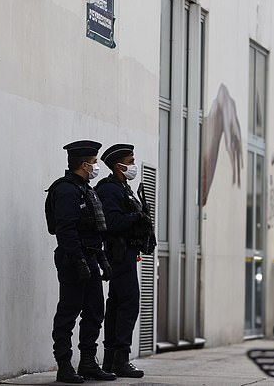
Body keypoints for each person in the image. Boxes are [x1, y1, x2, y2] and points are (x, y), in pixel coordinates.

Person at [45, 140, 116, 383]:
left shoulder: (86, 188)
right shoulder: (66, 190)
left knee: (95, 311)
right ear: (84, 164)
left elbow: (94, 231)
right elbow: (66, 231)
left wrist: (102, 260)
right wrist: (78, 261)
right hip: (72, 259)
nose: (96, 167)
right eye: (94, 163)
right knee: (68, 312)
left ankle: (88, 362)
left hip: (90, 256)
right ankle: (64, 365)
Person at [96, 143, 151, 378]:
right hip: (119, 254)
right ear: (118, 165)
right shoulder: (110, 189)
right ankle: (119, 358)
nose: (133, 165)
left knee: (119, 305)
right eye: (130, 162)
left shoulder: (123, 187)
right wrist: (136, 217)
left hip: (127, 253)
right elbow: (112, 222)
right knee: (127, 304)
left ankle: (112, 359)